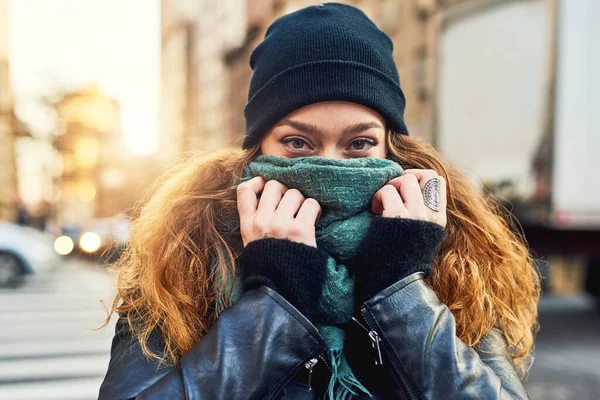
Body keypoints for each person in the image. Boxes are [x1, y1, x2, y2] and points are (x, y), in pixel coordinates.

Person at [98, 3, 539, 399]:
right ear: (258, 147)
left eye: (359, 143)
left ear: (391, 149)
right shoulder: (185, 252)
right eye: (297, 141)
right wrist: (275, 301)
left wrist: (400, 285)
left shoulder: (450, 247)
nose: (330, 165)